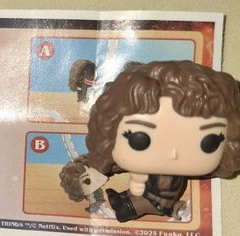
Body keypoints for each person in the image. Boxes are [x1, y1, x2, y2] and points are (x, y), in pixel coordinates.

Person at [86, 61, 240, 221]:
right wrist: (138, 181)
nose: (173, 154)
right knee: (139, 196)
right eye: (139, 139)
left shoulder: (173, 176)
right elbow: (140, 178)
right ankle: (124, 202)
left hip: (159, 200)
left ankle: (127, 208)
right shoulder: (148, 169)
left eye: (209, 142)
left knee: (142, 203)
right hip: (152, 193)